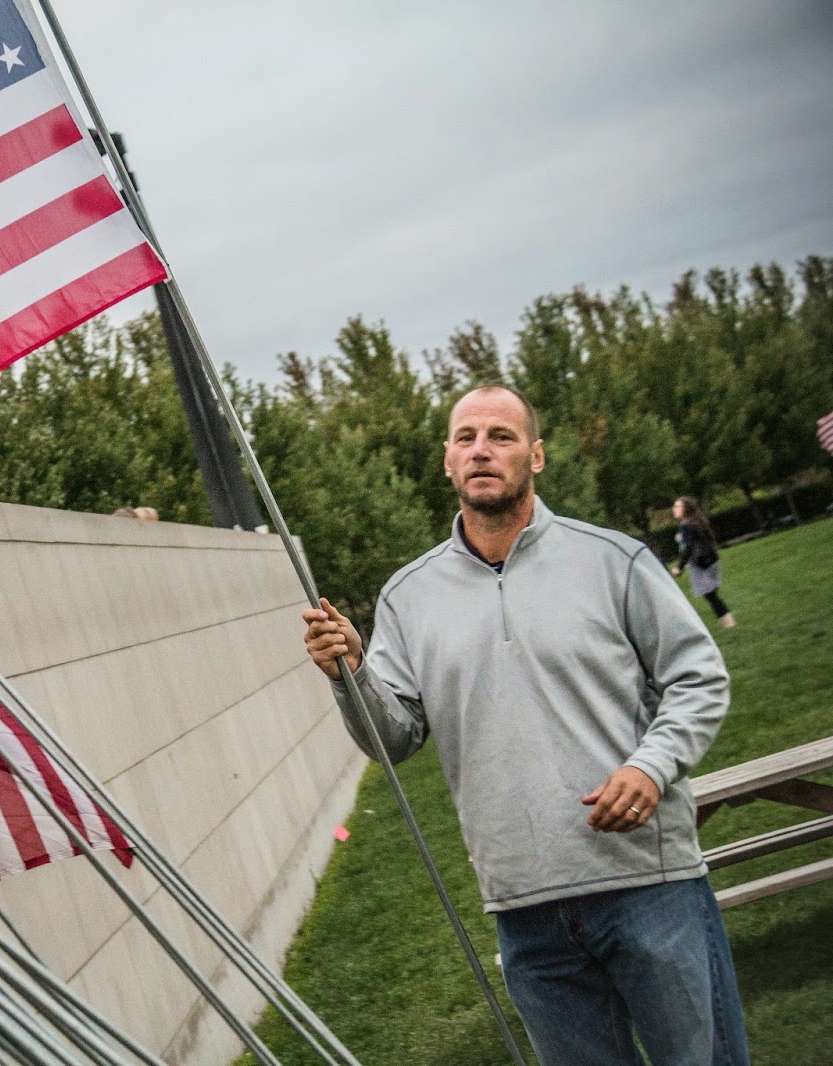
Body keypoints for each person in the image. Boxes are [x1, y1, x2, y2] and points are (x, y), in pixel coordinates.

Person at [302, 385, 748, 1065]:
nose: (481, 449)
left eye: (501, 436)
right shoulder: (407, 597)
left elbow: (698, 677)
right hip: (523, 909)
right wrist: (353, 675)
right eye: (466, 437)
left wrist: (651, 767)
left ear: (535, 456)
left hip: (648, 883)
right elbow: (394, 739)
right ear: (447, 461)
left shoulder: (613, 560)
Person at [671, 497, 736, 628]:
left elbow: (688, 548)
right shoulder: (696, 521)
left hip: (701, 564)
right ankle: (728, 623)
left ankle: (730, 624)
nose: (674, 509)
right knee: (712, 595)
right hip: (712, 561)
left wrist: (679, 567)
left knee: (711, 596)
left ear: (685, 509)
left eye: (677, 506)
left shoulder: (686, 525)